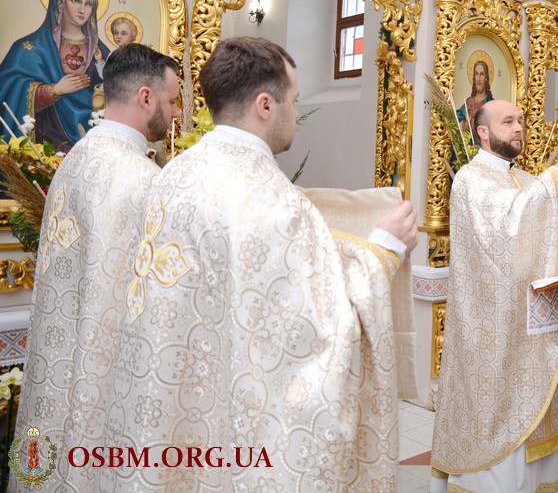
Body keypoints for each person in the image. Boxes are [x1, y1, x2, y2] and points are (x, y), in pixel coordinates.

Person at [99, 36, 418, 491]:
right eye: (294, 100)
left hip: (170, 411)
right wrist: (384, 249)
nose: (297, 113)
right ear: (265, 105)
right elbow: (315, 335)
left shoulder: (173, 175)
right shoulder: (271, 201)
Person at [12, 43, 180, 491]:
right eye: (171, 101)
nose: (176, 113)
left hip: (60, 363)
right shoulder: (139, 180)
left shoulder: (78, 158)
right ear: (145, 97)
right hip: (101, 382)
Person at [431, 99, 558, 493]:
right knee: (497, 413)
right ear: (483, 132)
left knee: (533, 409)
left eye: (520, 120)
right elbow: (508, 226)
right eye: (508, 121)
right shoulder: (470, 179)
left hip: (531, 324)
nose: (519, 127)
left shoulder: (523, 179)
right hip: (493, 331)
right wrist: (555, 177)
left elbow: (546, 236)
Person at [0, 0, 112, 151]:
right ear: (59, 1)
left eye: (88, 4)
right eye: (75, 0)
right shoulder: (29, 48)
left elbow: (116, 95)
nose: (82, 10)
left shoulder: (102, 53)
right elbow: (8, 91)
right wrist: (55, 90)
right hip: (44, 142)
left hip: (91, 143)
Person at [455, 59, 494, 143]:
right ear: (474, 77)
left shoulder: (490, 103)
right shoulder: (468, 103)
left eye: (482, 74)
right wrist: (465, 123)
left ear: (486, 78)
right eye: (476, 74)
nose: (479, 78)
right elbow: (457, 120)